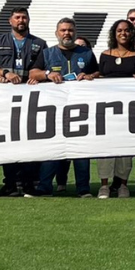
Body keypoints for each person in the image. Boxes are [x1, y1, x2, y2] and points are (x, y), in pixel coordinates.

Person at [0, 6, 47, 196]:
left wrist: (39, 77)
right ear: (10, 21)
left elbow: (45, 68)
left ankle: (28, 183)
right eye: (17, 17)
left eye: (24, 17)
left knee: (30, 141)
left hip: (31, 102)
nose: (21, 21)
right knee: (7, 142)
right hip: (5, 102)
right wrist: (3, 73)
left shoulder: (39, 43)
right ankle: (10, 183)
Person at [31, 18, 100, 197]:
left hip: (81, 110)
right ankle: (45, 187)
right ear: (57, 33)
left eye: (70, 30)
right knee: (52, 150)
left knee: (81, 151)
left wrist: (90, 75)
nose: (66, 33)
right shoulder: (47, 53)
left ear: (74, 32)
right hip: (54, 111)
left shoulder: (86, 53)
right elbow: (33, 73)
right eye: (63, 30)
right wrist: (48, 74)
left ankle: (83, 189)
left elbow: (98, 72)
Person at [98, 19, 135, 198]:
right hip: (107, 109)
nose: (123, 33)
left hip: (129, 109)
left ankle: (123, 184)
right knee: (106, 148)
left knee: (126, 149)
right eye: (119, 30)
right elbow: (100, 75)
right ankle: (105, 185)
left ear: (132, 33)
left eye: (127, 30)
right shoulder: (105, 54)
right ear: (114, 34)